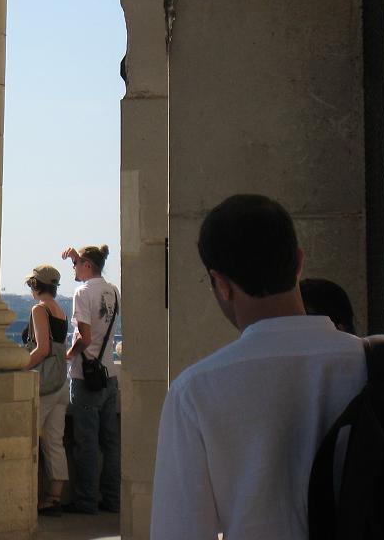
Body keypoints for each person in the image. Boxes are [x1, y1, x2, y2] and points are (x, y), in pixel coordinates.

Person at [151, 195, 366, 540]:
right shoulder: (373, 364)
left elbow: (180, 530)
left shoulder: (195, 391)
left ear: (220, 282)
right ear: (298, 262)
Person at [61, 243, 120, 514]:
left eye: (75, 264)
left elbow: (84, 338)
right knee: (110, 443)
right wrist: (77, 256)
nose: (73, 268)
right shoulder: (113, 291)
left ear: (86, 265)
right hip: (109, 376)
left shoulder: (81, 292)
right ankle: (113, 498)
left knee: (86, 442)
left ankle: (86, 502)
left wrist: (68, 356)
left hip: (86, 378)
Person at [23, 264, 70, 517]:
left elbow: (41, 349)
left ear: (35, 285)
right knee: (55, 441)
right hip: (61, 383)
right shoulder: (60, 310)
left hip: (45, 384)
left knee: (27, 436)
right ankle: (54, 497)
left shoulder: (39, 309)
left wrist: (20, 368)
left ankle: (23, 493)